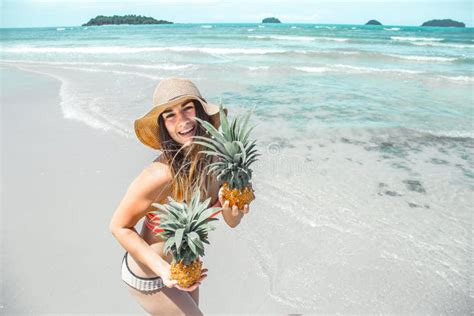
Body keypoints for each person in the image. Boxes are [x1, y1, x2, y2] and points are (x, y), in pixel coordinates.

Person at [109, 77, 252, 315]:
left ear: (200, 112)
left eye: (187, 108)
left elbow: (231, 221)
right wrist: (163, 270)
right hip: (150, 275)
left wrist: (232, 210)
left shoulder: (217, 163)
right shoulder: (160, 175)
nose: (183, 121)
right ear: (164, 125)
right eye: (170, 115)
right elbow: (118, 226)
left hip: (186, 267)